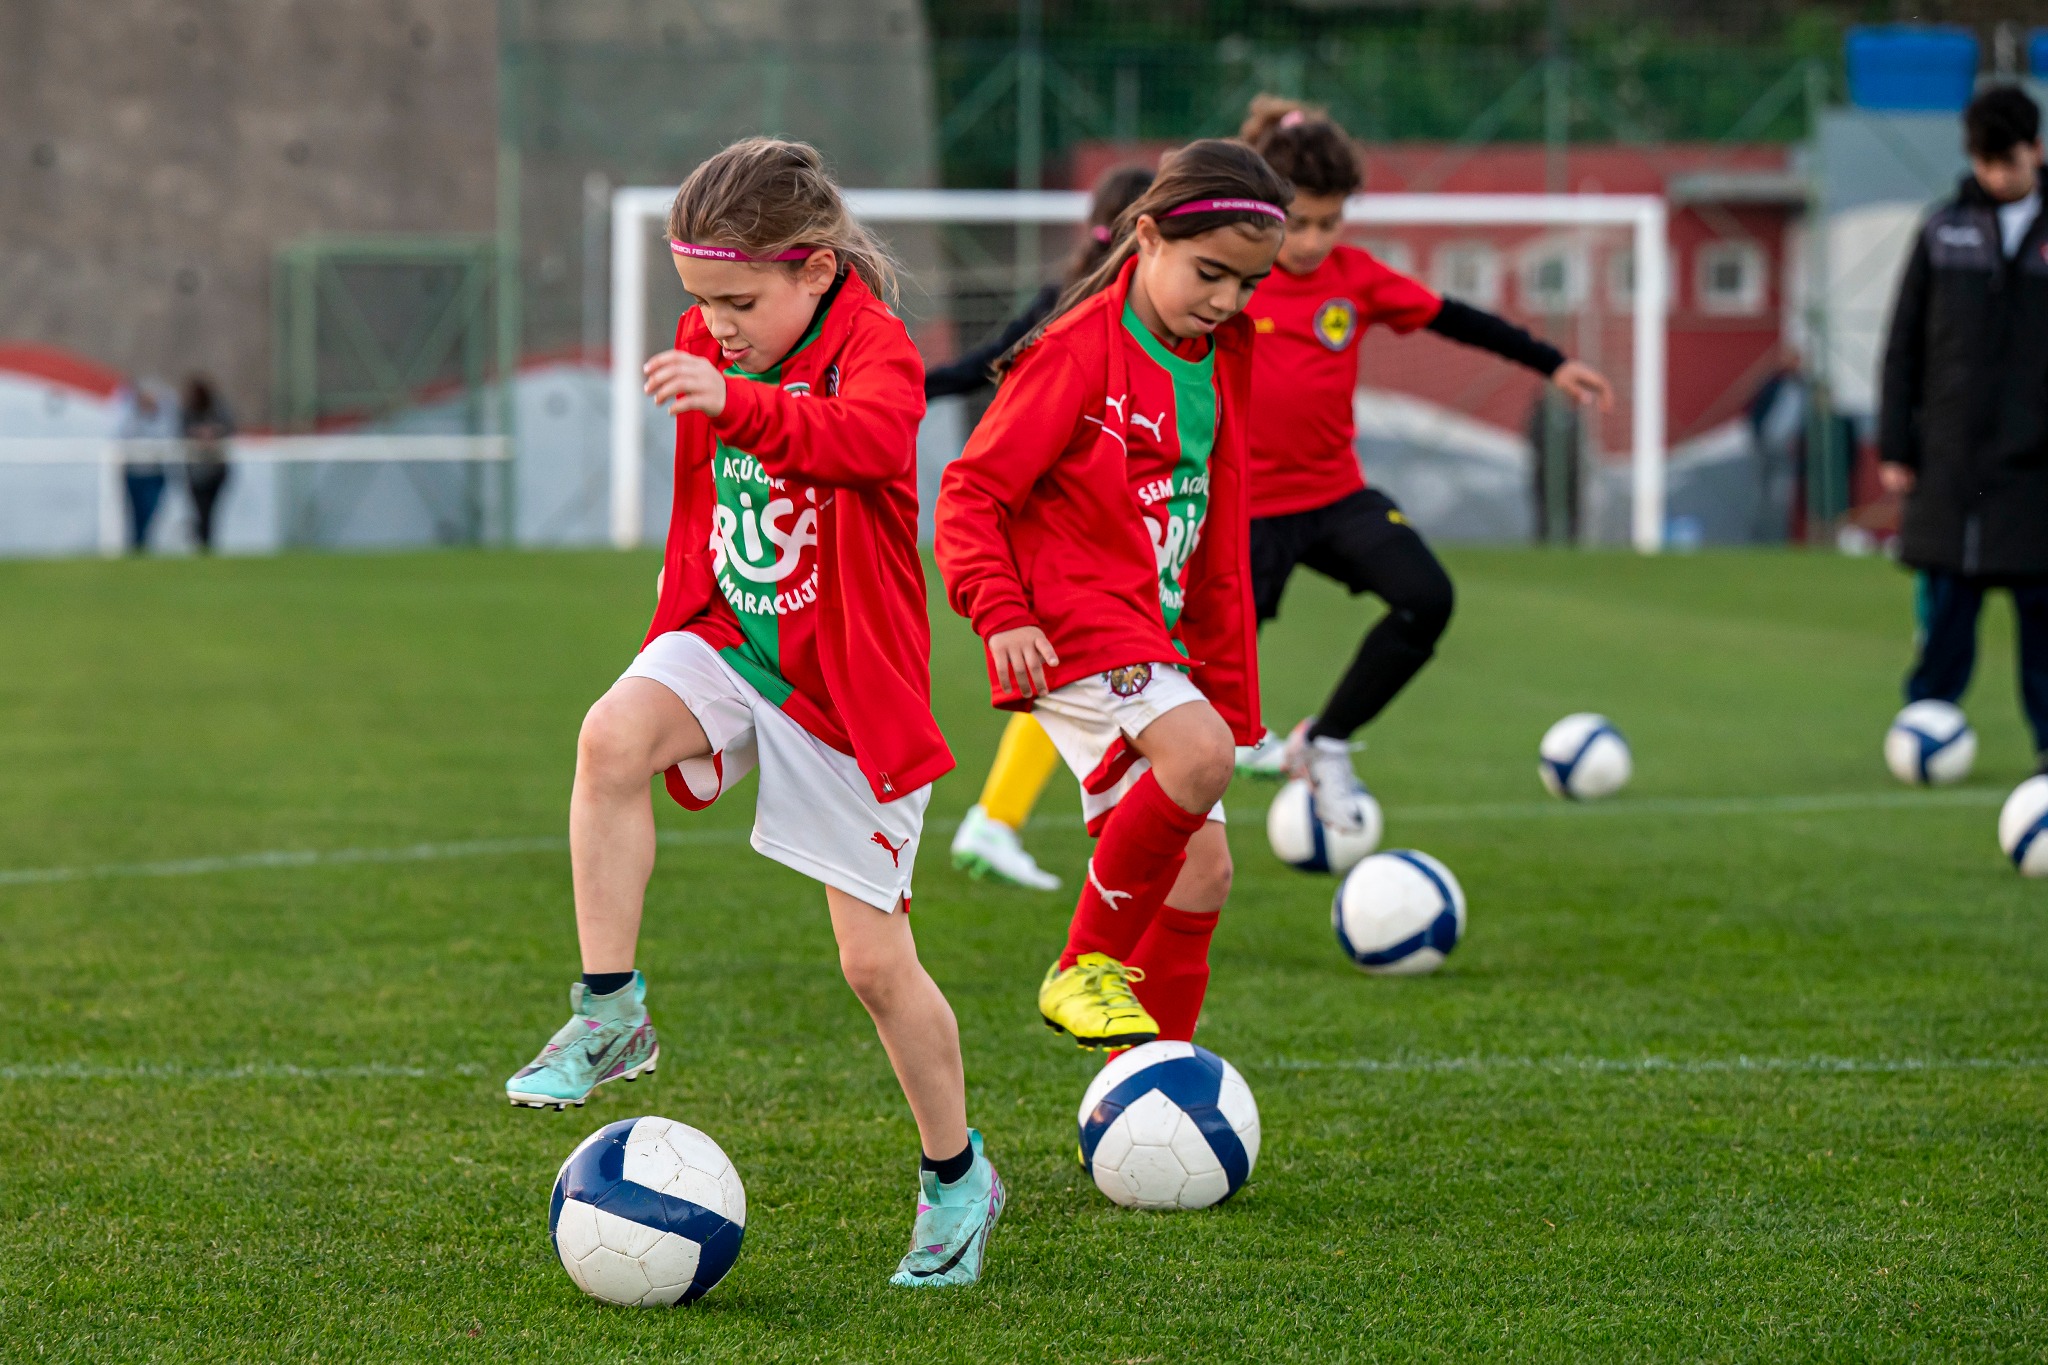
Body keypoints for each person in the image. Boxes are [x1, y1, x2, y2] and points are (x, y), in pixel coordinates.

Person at [503, 138, 1003, 1289]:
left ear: (814, 269)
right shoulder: (710, 339)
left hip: (844, 691)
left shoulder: (873, 345)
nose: (716, 325)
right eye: (700, 304)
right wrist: (675, 617)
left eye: (739, 301)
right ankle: (610, 1010)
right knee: (610, 738)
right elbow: (703, 493)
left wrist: (737, 399)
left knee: (874, 967)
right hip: (734, 633)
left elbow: (875, 443)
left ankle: (955, 1177)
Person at [936, 140, 1287, 1051]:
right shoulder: (1074, 353)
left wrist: (1223, 668)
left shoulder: (1219, 356)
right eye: (1210, 273)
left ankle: (1150, 1077)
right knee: (1200, 753)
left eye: (1247, 285)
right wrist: (999, 607)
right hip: (1075, 624)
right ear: (1145, 237)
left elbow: (1212, 533)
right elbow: (971, 491)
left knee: (1204, 872)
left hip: (1151, 635)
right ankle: (1082, 963)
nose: (1225, 300)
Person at [1232, 97, 1614, 829]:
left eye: (1328, 222)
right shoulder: (1230, 280)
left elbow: (1458, 320)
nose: (1312, 241)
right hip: (1245, 510)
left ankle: (1328, 742)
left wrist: (1553, 362)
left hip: (1335, 495)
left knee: (1427, 597)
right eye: (1298, 223)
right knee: (1208, 680)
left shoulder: (1355, 277)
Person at [939, 165, 1156, 893]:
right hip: (1072, 521)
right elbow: (983, 373)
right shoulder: (1083, 316)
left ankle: (997, 821)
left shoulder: (1146, 319)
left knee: (1078, 673)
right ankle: (1003, 822)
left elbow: (976, 367)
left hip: (1119, 521)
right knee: (1088, 668)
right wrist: (894, 389)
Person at [1879, 85, 2048, 774]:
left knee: (2042, 622)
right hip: (1952, 466)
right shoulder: (1942, 230)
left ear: (2036, 151)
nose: (1996, 177)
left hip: (2036, 470)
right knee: (1947, 612)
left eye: (2007, 162)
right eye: (1984, 163)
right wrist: (1896, 443)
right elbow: (1903, 344)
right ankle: (1923, 730)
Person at [116, 379, 179, 552]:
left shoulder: (163, 418)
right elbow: (122, 436)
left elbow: (167, 441)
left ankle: (143, 545)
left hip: (155, 474)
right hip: (134, 473)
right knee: (136, 514)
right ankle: (137, 546)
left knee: (151, 511)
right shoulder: (131, 416)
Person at [179, 375, 234, 552]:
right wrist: (197, 434)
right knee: (200, 511)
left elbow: (230, 427)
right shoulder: (187, 411)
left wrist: (214, 433)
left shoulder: (218, 409)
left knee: (210, 512)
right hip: (195, 472)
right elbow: (180, 431)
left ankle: (206, 544)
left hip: (216, 471)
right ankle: (203, 544)